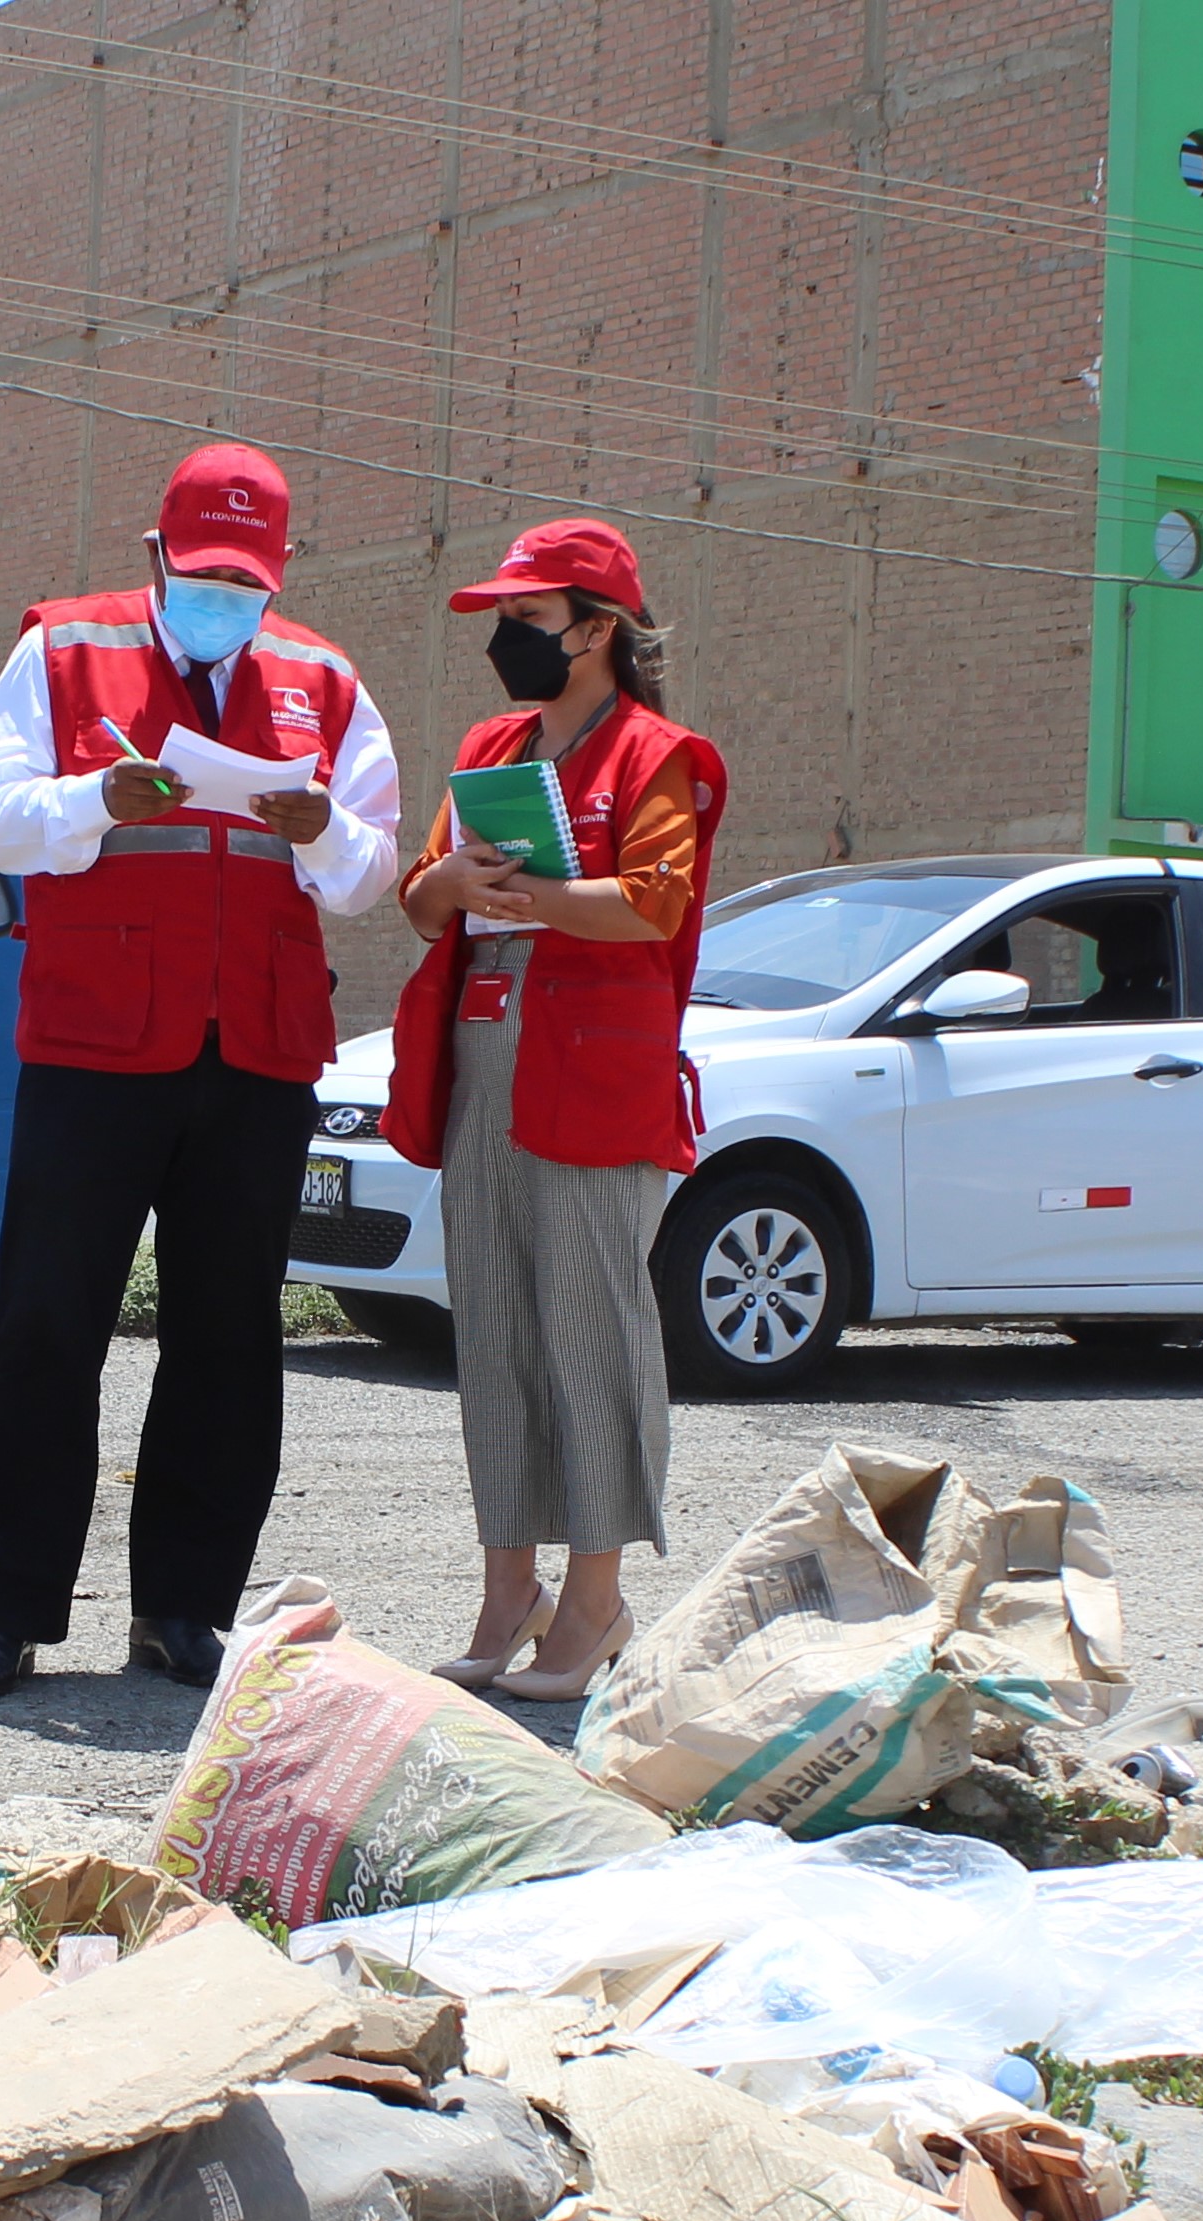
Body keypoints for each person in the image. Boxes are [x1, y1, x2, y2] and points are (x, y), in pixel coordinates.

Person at [0, 443, 403, 1698]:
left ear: (279, 574)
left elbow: (372, 872)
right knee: (48, 1325)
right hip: (96, 1045)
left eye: (244, 582)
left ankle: (186, 1612)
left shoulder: (325, 679)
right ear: (159, 556)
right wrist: (97, 799)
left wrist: (322, 834)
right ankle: (8, 1617)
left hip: (254, 1051)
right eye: (202, 576)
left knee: (229, 1337)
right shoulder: (62, 651)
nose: (224, 599)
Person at [384, 519, 725, 1702]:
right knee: (496, 1335)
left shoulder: (658, 754)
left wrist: (521, 887)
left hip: (592, 1071)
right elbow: (422, 901)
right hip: (483, 1061)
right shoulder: (494, 744)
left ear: (597, 629)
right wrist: (448, 885)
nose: (503, 638)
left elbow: (650, 908)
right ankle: (505, 1591)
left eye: (525, 619)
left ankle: (595, 1603)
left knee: (592, 1334)